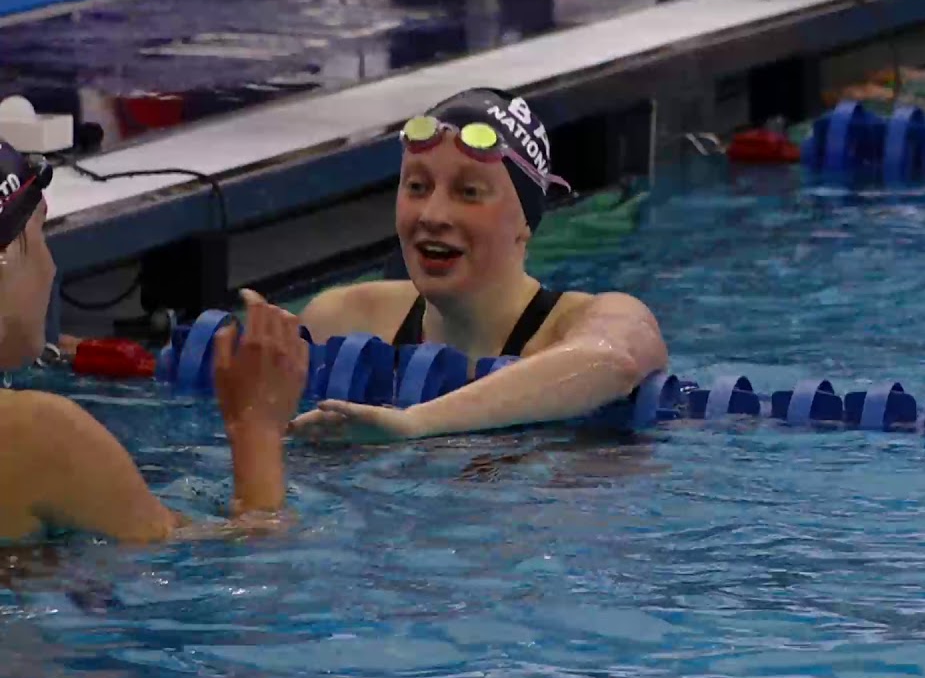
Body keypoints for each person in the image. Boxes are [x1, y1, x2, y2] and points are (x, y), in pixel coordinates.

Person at [288, 87, 669, 439]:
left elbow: (613, 361)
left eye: (469, 192)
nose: (432, 215)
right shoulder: (342, 320)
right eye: (417, 187)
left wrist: (416, 423)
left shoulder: (594, 319)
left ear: (525, 222)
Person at [0, 139, 310, 544]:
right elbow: (246, 560)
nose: (52, 265)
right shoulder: (37, 434)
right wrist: (258, 432)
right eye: (42, 232)